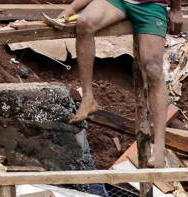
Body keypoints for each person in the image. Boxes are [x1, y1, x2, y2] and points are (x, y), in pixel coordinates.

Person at [47, 0, 175, 150]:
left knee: (153, 69)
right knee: (85, 22)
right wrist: (72, 8)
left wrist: (176, 8)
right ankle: (88, 98)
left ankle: (159, 146)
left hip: (152, 5)